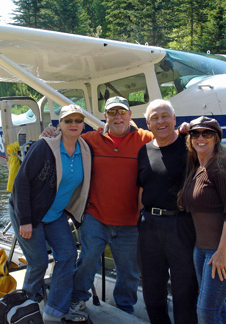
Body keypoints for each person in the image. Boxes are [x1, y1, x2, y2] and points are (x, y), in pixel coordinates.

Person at [42, 96, 154, 314]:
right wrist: (49, 132)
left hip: (130, 222)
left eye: (122, 111)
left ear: (130, 115)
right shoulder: (91, 139)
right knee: (87, 261)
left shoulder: (145, 138)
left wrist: (187, 130)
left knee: (129, 270)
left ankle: (124, 307)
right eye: (112, 112)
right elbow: (66, 135)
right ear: (106, 117)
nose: (117, 116)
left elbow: (169, 138)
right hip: (96, 216)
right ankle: (77, 298)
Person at [9, 104, 92, 323]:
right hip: (29, 213)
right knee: (38, 263)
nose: (73, 124)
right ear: (59, 125)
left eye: (78, 120)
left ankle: (55, 310)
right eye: (68, 121)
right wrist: (25, 221)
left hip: (54, 215)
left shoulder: (85, 148)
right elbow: (22, 183)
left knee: (67, 256)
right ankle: (27, 309)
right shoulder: (44, 147)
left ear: (83, 124)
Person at [178, 116, 226, 324]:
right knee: (215, 307)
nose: (201, 138)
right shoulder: (199, 165)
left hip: (224, 250)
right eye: (195, 134)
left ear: (216, 138)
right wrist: (184, 130)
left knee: (206, 310)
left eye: (207, 134)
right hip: (202, 249)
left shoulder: (223, 165)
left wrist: (221, 252)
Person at [137, 99, 198, 324]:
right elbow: (141, 188)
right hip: (149, 224)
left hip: (180, 224)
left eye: (165, 116)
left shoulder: (190, 145)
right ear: (148, 123)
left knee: (185, 288)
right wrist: (139, 222)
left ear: (174, 119)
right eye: (155, 117)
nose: (160, 121)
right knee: (152, 288)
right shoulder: (143, 151)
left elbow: (214, 145)